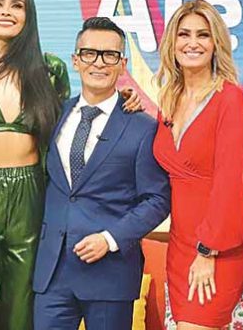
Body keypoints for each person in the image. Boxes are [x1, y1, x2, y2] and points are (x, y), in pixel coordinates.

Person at [0, 0, 142, 329]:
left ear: (29, 16)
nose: (7, 12)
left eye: (17, 5)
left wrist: (121, 100)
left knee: (23, 317)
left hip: (32, 199)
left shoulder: (50, 70)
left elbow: (74, 115)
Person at [32, 17, 170, 330]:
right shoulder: (53, 114)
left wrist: (110, 239)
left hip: (110, 274)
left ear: (122, 64)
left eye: (109, 55)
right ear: (75, 60)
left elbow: (157, 199)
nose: (99, 62)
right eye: (89, 53)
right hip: (51, 273)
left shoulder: (143, 127)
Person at [153, 0, 243, 329]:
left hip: (218, 243)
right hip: (180, 241)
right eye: (184, 34)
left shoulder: (229, 98)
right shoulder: (169, 99)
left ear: (216, 44)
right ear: (172, 42)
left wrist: (208, 250)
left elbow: (231, 180)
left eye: (203, 35)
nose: (193, 43)